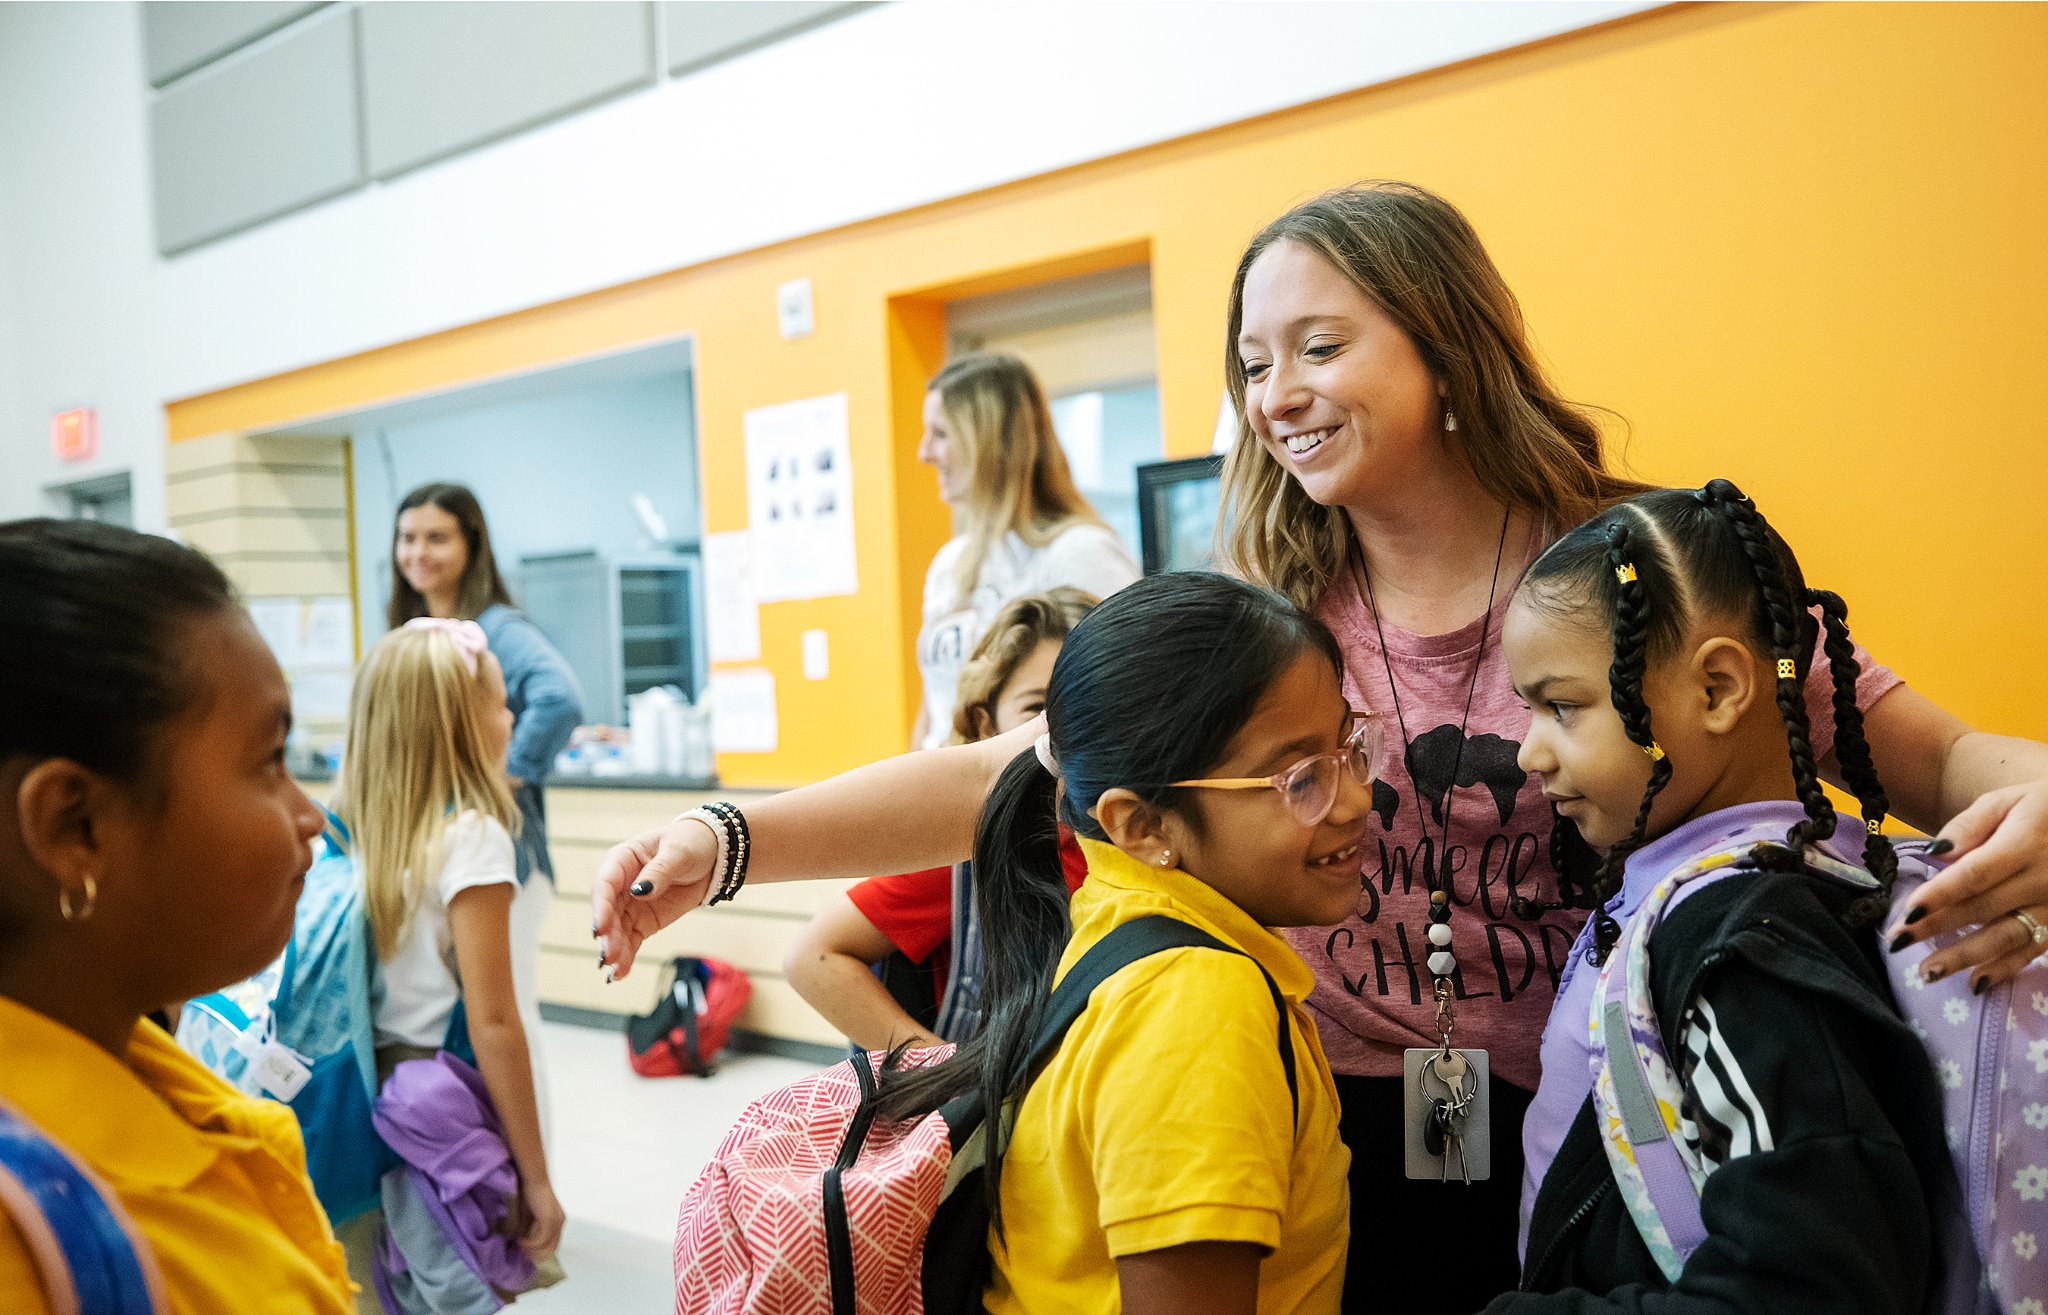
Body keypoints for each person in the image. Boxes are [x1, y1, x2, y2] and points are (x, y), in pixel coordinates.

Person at [592, 183, 2048, 1309]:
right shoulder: (1271, 612)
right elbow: (1016, 764)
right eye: (1252, 360)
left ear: (1446, 340)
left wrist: (2036, 791)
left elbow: (1936, 751)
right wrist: (731, 840)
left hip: (1613, 1122)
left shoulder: (1631, 574)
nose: (1274, 390)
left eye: (1320, 344)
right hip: (1334, 1127)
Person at [1493, 480, 1950, 1311]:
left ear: (1717, 689)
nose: (1530, 753)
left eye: (1563, 707)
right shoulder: (1739, 891)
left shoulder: (1741, 946)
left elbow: (1813, 1280)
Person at [872, 572, 1358, 1312]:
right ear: (1142, 825)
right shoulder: (1196, 1003)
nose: (1355, 799)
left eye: (1349, 749)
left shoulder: (1114, 919)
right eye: (1299, 778)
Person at [0, 518, 351, 1313]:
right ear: (73, 825)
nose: (310, 817)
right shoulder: (26, 1252)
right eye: (268, 761)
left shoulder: (161, 1078)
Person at [330, 619, 563, 1293]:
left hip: (354, 1093)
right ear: (461, 723)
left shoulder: (349, 828)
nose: (511, 714)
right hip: (437, 1104)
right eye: (498, 701)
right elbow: (494, 1022)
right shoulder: (472, 838)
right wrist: (538, 1177)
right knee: (451, 1287)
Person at [784, 588, 1096, 1049]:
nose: (1061, 729)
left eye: (1088, 702)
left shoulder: (1143, 833)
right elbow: (814, 956)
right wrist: (949, 1079)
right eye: (1036, 708)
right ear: (987, 724)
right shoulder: (966, 846)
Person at [911, 354, 1139, 750]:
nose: (924, 452)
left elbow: (1122, 699)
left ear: (988, 442)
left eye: (941, 434)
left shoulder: (1080, 553)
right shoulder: (951, 563)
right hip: (946, 791)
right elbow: (934, 704)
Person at [387, 483, 582, 884]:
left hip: (499, 852)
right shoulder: (417, 633)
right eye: (407, 539)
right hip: (443, 843)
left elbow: (560, 698)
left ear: (471, 546)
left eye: (436, 538)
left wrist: (505, 775)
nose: (418, 553)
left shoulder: (496, 629)